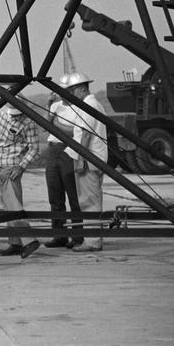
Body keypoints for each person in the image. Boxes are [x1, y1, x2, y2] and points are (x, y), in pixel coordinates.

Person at [0, 101, 40, 258]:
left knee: (14, 204)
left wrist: (21, 166)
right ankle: (15, 242)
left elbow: (34, 148)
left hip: (12, 166)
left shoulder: (28, 122)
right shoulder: (2, 114)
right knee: (8, 206)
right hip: (0, 164)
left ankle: (29, 240)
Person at [60, 71, 107, 252]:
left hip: (88, 159)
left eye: (72, 91)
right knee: (90, 200)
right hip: (93, 158)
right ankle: (93, 239)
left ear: (80, 89)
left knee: (89, 201)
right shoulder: (94, 104)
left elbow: (86, 134)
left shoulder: (89, 104)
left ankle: (92, 242)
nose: (70, 95)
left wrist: (79, 160)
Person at [44, 78, 85, 249]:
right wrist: (49, 105)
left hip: (68, 150)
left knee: (73, 195)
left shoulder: (78, 109)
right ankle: (59, 234)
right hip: (53, 149)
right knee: (55, 195)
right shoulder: (55, 106)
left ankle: (77, 236)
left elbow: (73, 132)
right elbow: (47, 125)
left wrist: (56, 124)